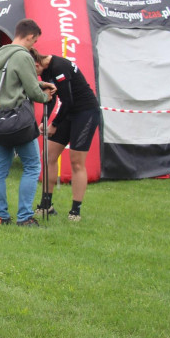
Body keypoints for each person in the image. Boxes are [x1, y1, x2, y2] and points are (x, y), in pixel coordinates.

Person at [0, 19, 56, 227]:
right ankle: (25, 216)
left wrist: (39, 82)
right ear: (30, 37)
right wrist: (45, 96)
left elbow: (11, 82)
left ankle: (2, 216)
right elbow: (33, 91)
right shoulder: (23, 56)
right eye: (35, 41)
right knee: (33, 166)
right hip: (19, 120)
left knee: (0, 168)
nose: (34, 45)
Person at [31, 49, 101, 222]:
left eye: (34, 72)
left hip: (85, 112)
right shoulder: (45, 70)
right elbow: (51, 96)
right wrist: (44, 121)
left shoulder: (59, 66)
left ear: (37, 64)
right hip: (68, 112)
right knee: (48, 156)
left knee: (77, 161)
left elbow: (68, 100)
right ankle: (46, 205)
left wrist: (54, 125)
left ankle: (75, 211)